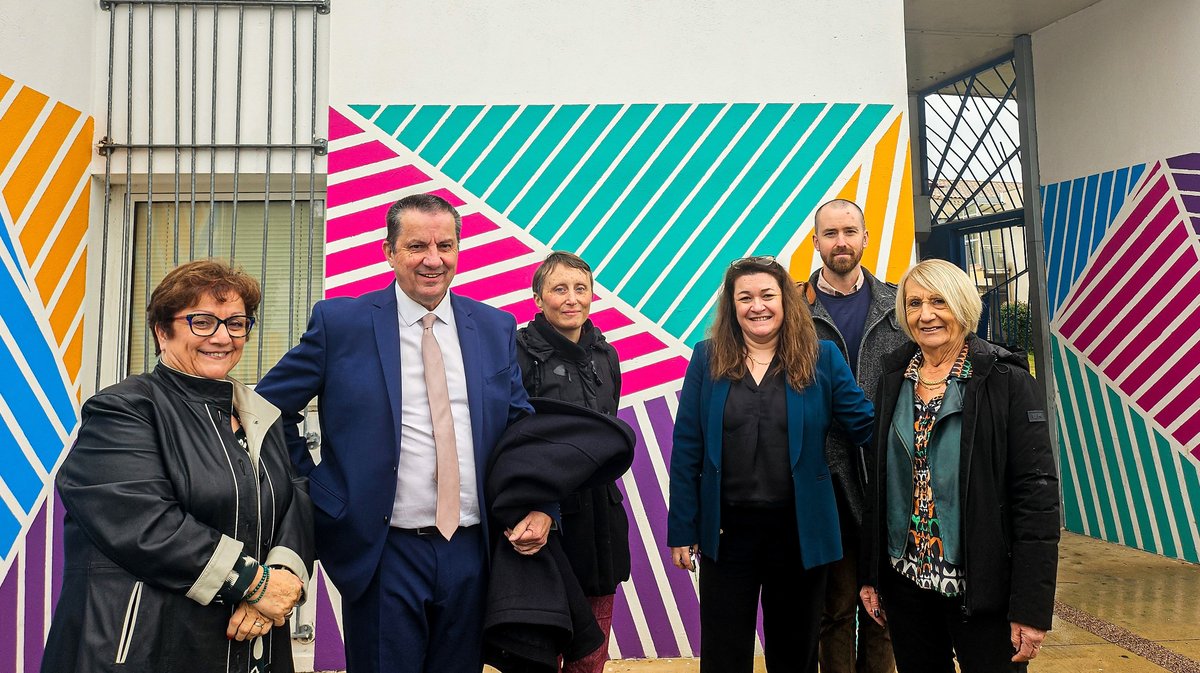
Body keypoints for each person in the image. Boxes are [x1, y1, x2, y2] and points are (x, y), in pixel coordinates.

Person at [255, 193, 547, 673]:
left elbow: (519, 428)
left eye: (445, 245)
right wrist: (318, 488)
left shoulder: (495, 327)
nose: (433, 260)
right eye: (416, 247)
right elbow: (267, 408)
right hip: (382, 552)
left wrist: (541, 504)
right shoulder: (341, 323)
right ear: (389, 252)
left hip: (474, 550)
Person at [43, 260, 312, 673]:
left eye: (236, 323)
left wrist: (282, 576)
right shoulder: (124, 410)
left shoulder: (262, 416)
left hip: (249, 647)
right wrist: (255, 584)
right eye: (202, 322)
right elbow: (142, 522)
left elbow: (297, 497)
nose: (222, 337)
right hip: (145, 649)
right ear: (161, 331)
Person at [667, 255, 874, 673]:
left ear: (785, 301)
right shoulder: (707, 358)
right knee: (724, 655)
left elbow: (866, 425)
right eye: (745, 297)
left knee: (795, 653)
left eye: (767, 295)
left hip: (800, 532)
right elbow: (687, 446)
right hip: (727, 536)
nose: (757, 306)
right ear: (732, 305)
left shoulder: (823, 357)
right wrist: (682, 530)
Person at [858, 259, 1060, 673]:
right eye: (914, 304)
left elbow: (1035, 496)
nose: (925, 315)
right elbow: (879, 485)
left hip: (983, 590)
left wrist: (1031, 607)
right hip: (907, 585)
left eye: (939, 301)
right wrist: (872, 575)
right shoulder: (894, 378)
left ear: (963, 305)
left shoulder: (1006, 380)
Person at [515, 251, 629, 672]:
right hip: (544, 515)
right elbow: (511, 437)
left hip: (601, 515)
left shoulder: (606, 355)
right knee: (541, 645)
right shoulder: (517, 353)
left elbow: (609, 426)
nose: (571, 298)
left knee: (592, 647)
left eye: (581, 288)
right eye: (559, 288)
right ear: (537, 297)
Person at [804, 199, 904, 673]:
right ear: (816, 241)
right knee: (836, 609)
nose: (840, 242)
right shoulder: (794, 311)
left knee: (885, 609)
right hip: (829, 480)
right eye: (830, 233)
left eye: (849, 231)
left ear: (865, 238)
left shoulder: (898, 304)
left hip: (890, 477)